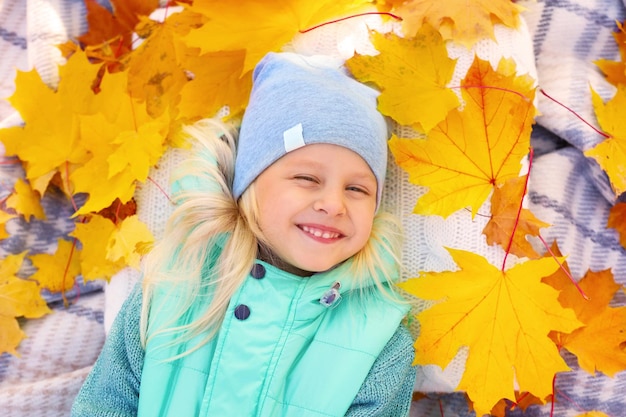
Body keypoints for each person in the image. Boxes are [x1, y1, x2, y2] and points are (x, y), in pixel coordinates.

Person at [71, 51, 416, 417]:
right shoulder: (170, 287)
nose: (333, 204)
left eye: (357, 190)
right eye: (307, 178)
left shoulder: (381, 341)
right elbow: (103, 405)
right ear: (249, 183)